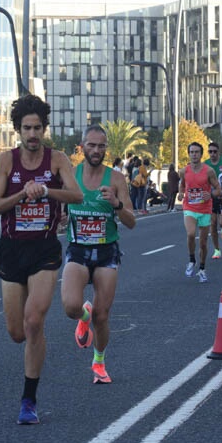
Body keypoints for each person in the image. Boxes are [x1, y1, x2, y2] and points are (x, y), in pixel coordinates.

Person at [0, 93, 83, 425]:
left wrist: (45, 190)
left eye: (37, 128)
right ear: (18, 129)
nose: (32, 134)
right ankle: (35, 343)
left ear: (44, 129)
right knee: (17, 332)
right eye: (26, 128)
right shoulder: (5, 161)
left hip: (44, 248)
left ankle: (29, 400)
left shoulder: (57, 160)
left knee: (33, 322)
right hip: (12, 249)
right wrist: (21, 193)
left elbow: (77, 195)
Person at [61, 125, 136, 385]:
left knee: (102, 316)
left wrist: (116, 204)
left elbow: (131, 221)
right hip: (78, 249)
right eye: (91, 145)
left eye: (101, 146)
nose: (96, 150)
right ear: (82, 147)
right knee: (71, 306)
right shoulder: (71, 175)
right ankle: (83, 317)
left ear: (106, 148)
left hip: (106, 251)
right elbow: (60, 211)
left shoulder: (116, 179)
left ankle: (99, 361)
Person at [178, 141, 221, 283]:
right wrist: (180, 193)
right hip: (189, 207)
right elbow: (182, 184)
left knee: (203, 242)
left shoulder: (209, 171)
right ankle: (191, 260)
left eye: (197, 152)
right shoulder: (184, 171)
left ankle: (202, 268)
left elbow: (218, 189)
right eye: (192, 152)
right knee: (190, 234)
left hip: (205, 209)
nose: (194, 154)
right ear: (188, 154)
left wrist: (212, 195)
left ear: (201, 154)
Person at [205, 143, 222, 258]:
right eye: (210, 151)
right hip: (211, 197)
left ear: (218, 152)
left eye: (214, 151)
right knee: (212, 224)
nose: (212, 154)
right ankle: (217, 250)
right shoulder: (205, 164)